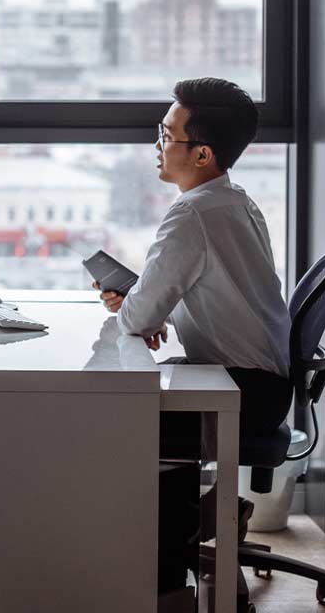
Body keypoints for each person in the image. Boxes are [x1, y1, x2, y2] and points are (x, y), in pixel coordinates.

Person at [94, 78, 292, 595]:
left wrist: (142, 304)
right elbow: (210, 287)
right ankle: (197, 534)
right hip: (262, 383)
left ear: (202, 153)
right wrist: (153, 301)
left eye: (166, 135)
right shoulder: (233, 200)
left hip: (245, 389)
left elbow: (134, 321)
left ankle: (169, 569)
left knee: (121, 418)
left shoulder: (192, 213)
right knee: (140, 403)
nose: (156, 145)